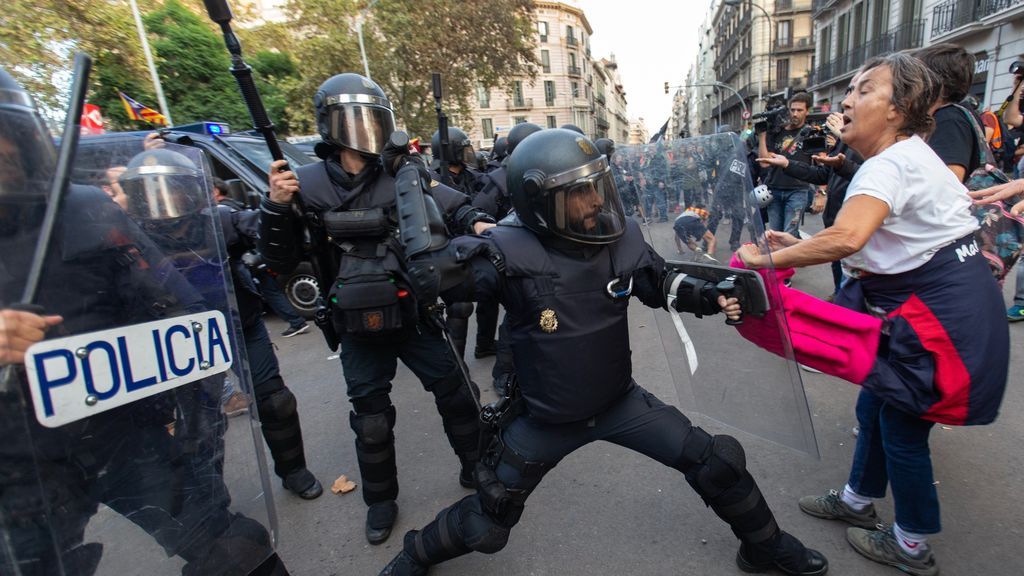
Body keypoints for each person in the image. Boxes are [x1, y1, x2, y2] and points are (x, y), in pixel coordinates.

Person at [378, 128, 829, 576]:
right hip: (545, 419)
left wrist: (710, 296)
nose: (596, 201)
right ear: (540, 202)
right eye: (580, 193)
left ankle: (766, 547)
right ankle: (416, 553)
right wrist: (419, 225)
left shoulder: (619, 237)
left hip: (620, 402)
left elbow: (659, 281)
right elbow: (441, 275)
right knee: (487, 519)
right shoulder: (505, 254)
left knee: (718, 464)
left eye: (598, 185)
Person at [0, 68, 288, 575]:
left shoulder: (84, 211)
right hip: (15, 462)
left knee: (230, 547)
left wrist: (195, 418)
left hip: (121, 432)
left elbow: (182, 313)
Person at [738, 53, 1009, 576]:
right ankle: (858, 498)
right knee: (877, 407)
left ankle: (910, 545)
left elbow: (851, 236)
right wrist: (802, 242)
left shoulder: (890, 163)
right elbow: (889, 239)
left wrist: (767, 258)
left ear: (898, 108)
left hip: (941, 324)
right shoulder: (907, 156)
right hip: (941, 312)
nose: (846, 100)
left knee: (901, 428)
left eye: (864, 90)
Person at [260, 73, 494, 545]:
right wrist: (276, 207)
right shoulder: (301, 183)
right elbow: (279, 261)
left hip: (414, 314)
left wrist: (480, 223)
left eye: (371, 117)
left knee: (458, 395)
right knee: (370, 420)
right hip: (354, 324)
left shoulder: (403, 170)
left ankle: (477, 470)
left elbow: (452, 207)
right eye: (352, 118)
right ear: (329, 125)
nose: (364, 129)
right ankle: (380, 500)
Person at [119, 150, 324, 500]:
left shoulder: (220, 220)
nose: (164, 199)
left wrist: (276, 204)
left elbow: (265, 230)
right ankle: (210, 500)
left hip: (238, 327)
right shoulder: (130, 239)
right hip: (180, 342)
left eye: (171, 188)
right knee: (197, 424)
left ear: (190, 189)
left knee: (275, 401)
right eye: (151, 191)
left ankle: (293, 470)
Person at [758, 110, 863, 296]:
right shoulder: (846, 141)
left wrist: (754, 262)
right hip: (836, 226)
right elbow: (823, 173)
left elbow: (871, 170)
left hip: (855, 236)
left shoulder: (869, 144)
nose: (847, 104)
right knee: (841, 280)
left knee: (852, 296)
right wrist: (786, 164)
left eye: (862, 92)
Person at [211, 177, 310, 338]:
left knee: (268, 293)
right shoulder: (231, 205)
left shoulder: (222, 211)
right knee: (270, 291)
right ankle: (296, 321)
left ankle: (296, 322)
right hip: (256, 258)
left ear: (215, 191)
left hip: (249, 262)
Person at [912, 44, 979, 183]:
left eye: (915, 76)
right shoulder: (950, 115)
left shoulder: (949, 119)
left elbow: (948, 183)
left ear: (935, 82)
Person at [757, 92, 816, 236]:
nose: (795, 114)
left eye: (800, 110)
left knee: (790, 233)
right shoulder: (777, 132)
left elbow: (820, 161)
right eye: (792, 109)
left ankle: (791, 257)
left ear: (807, 111)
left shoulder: (811, 133)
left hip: (798, 190)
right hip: (774, 190)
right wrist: (762, 136)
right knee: (775, 235)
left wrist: (822, 193)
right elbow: (764, 163)